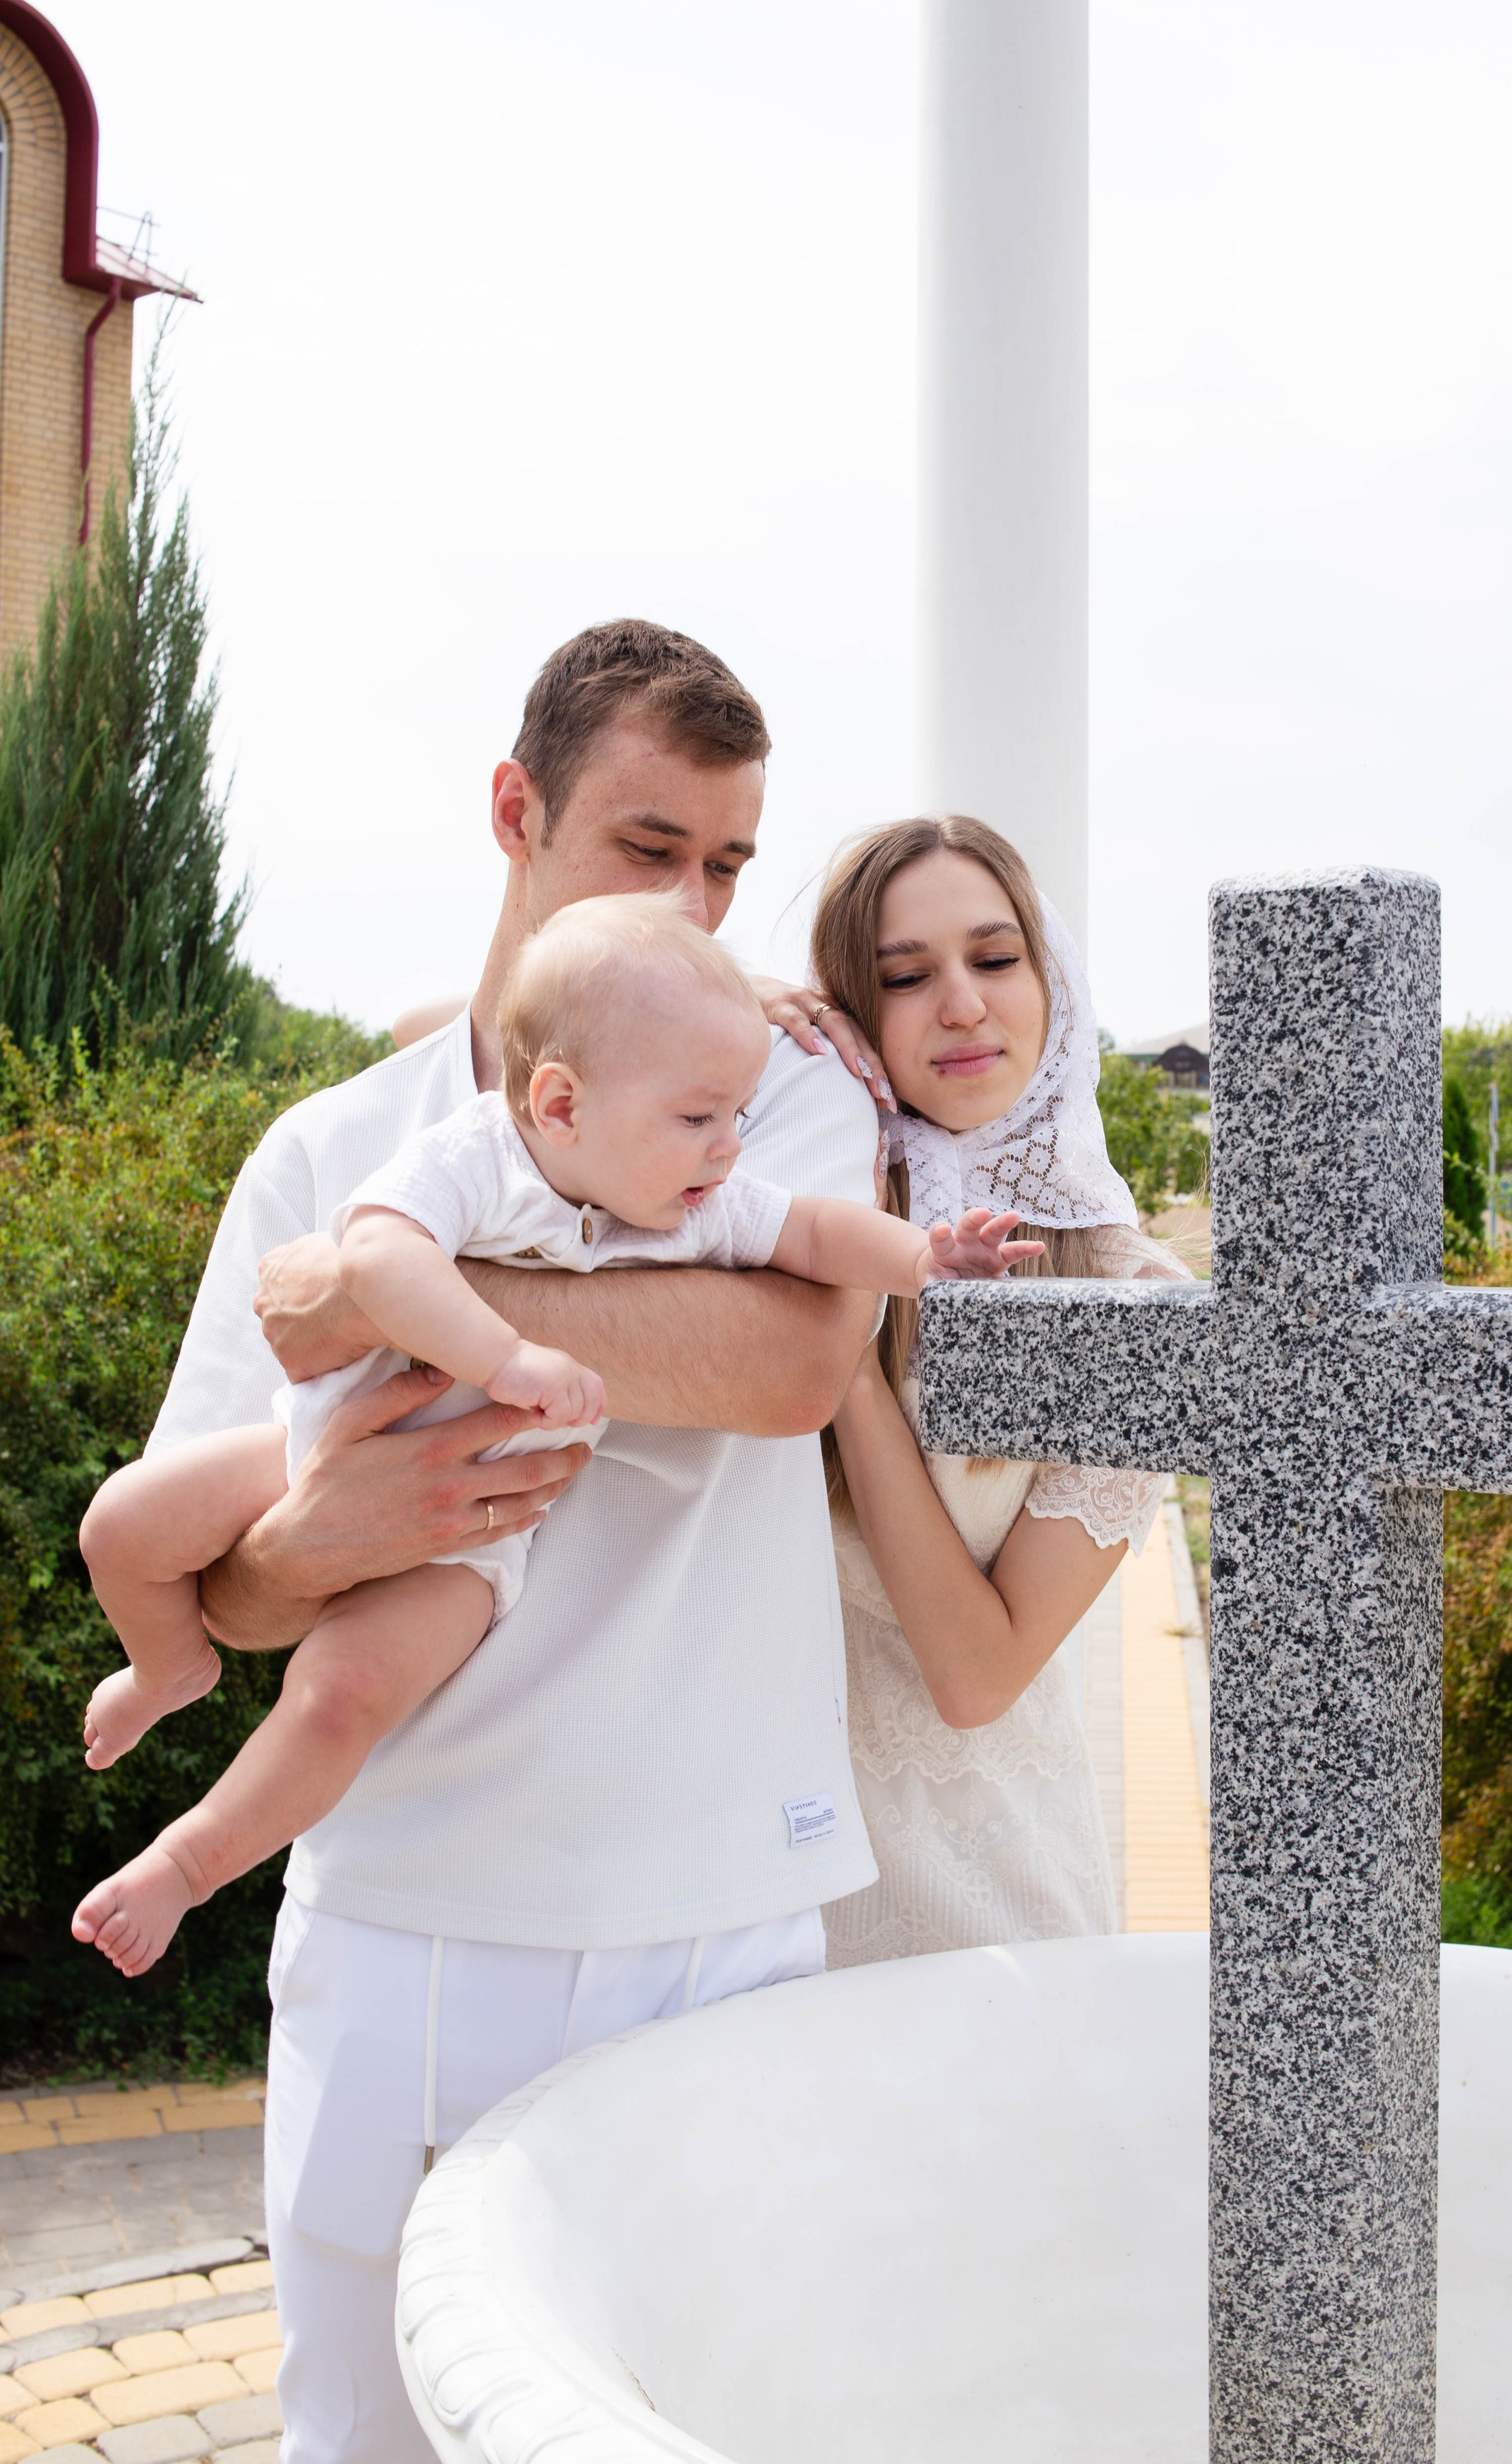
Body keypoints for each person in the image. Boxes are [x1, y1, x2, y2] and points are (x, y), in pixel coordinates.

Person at [142, 618, 900, 2464]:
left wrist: (397, 1296)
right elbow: (226, 1579)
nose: (699, 905)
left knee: (718, 2415)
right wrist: (321, 1536)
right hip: (413, 1922)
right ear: (516, 810)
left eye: (729, 864)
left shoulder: (773, 1088)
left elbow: (793, 1361)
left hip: (722, 1913)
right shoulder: (329, 1148)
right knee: (371, 2436)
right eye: (651, 850)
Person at [74, 893, 1038, 1980]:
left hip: (476, 1533)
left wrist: (924, 1257)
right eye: (699, 1117)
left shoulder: (691, 1202)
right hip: (324, 1439)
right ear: (561, 1103)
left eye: (737, 1116)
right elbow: (377, 1259)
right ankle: (165, 1670)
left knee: (342, 1697)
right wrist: (507, 1361)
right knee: (120, 1523)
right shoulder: (478, 1153)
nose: (730, 1148)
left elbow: (811, 1231)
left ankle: (187, 1864)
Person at [804, 816, 1190, 1966]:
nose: (961, 1003)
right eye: (904, 977)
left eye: (995, 957)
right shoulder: (764, 1213)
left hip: (975, 1906)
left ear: (1051, 979)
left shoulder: (1128, 1304)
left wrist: (844, 1363)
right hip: (736, 1891)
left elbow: (977, 1677)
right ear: (853, 1021)